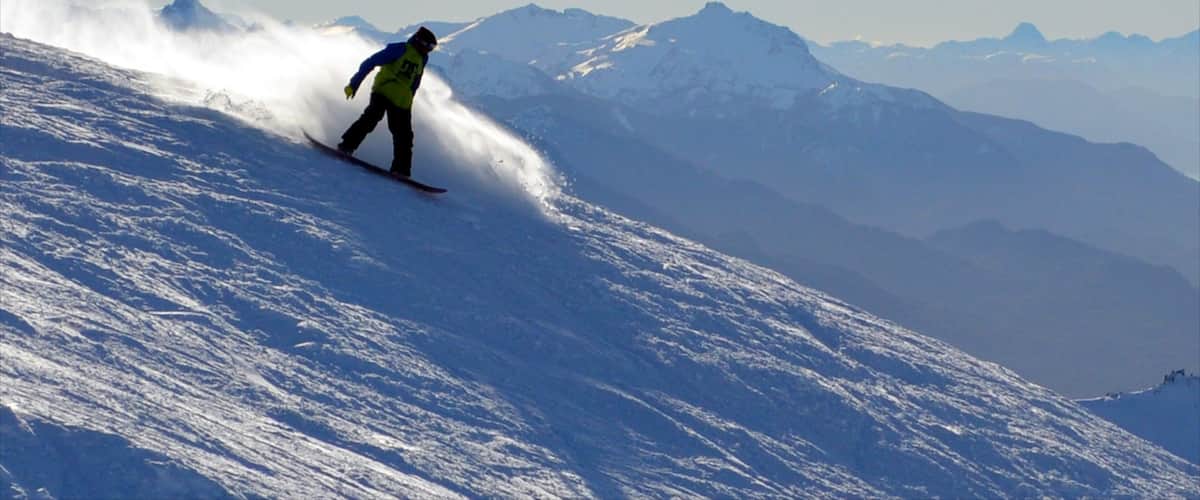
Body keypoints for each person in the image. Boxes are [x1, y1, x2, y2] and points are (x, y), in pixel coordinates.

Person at [338, 27, 438, 178]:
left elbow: (415, 82)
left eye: (432, 48)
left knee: (404, 136)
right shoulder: (399, 49)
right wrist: (354, 83)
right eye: (428, 46)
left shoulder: (422, 58)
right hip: (383, 91)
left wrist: (410, 99)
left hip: (401, 101)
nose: (429, 50)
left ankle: (401, 170)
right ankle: (346, 146)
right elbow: (370, 62)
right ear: (420, 42)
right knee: (371, 118)